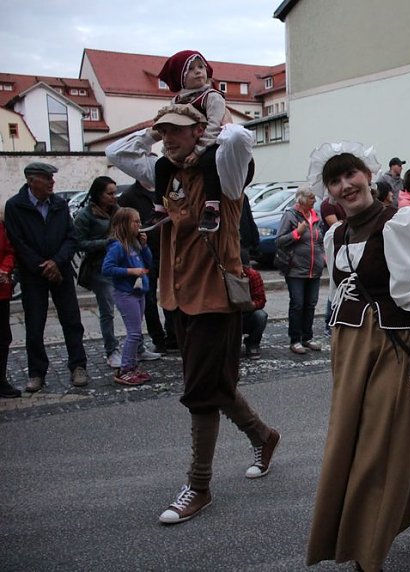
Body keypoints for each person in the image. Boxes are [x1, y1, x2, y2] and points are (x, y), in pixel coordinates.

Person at [105, 103, 280, 524]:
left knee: (201, 391)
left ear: (199, 131)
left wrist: (211, 126)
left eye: (178, 130)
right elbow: (117, 154)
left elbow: (240, 138)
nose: (168, 137)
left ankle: (198, 486)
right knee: (213, 382)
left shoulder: (224, 169)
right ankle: (263, 435)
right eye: (164, 130)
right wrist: (151, 132)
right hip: (178, 296)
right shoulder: (167, 173)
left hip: (216, 298)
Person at [305, 141, 410, 572]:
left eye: (350, 174)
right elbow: (337, 304)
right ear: (328, 190)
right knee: (375, 440)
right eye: (334, 180)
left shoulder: (401, 223)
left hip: (394, 350)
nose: (344, 185)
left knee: (373, 450)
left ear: (368, 175)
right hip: (351, 353)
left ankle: (367, 552)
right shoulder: (335, 234)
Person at [4, 162, 89, 393]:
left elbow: (71, 237)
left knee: (71, 320)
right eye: (46, 177)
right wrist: (41, 265)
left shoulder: (59, 204)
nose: (52, 182)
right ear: (31, 181)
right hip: (33, 275)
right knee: (34, 325)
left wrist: (57, 262)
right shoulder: (15, 206)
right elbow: (17, 242)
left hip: (60, 270)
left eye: (52, 177)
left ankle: (78, 366)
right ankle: (36, 373)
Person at [154, 51, 228, 232]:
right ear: (180, 77)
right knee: (161, 165)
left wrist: (198, 151)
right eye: (191, 69)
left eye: (201, 67)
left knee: (210, 162)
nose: (198, 72)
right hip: (185, 150)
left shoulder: (212, 96)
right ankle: (159, 208)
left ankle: (212, 208)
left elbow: (214, 125)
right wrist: (169, 153)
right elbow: (169, 130)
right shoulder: (176, 100)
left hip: (208, 144)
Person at [118, 180, 177, 354]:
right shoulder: (130, 195)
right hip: (144, 252)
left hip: (166, 250)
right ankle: (159, 339)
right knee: (149, 299)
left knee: (171, 293)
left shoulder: (164, 189)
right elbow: (123, 225)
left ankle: (173, 335)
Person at [101, 207, 153, 386]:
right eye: (135, 222)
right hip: (126, 293)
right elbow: (107, 269)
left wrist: (145, 247)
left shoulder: (134, 244)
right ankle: (125, 369)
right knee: (134, 333)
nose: (139, 225)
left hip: (139, 292)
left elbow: (149, 262)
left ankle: (131, 366)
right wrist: (130, 271)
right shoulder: (117, 246)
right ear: (124, 224)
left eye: (139, 221)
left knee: (137, 331)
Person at [73, 176, 121, 368]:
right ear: (98, 194)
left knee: (133, 307)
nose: (113, 197)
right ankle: (111, 350)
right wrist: (105, 243)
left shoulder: (118, 210)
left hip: (122, 265)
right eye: (109, 193)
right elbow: (78, 243)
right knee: (107, 311)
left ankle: (138, 346)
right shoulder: (85, 215)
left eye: (115, 192)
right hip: (100, 268)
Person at [275, 187, 325, 354]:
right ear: (302, 200)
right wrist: (297, 232)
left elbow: (319, 240)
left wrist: (322, 256)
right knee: (297, 304)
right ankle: (295, 339)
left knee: (310, 305)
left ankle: (307, 337)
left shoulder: (315, 216)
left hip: (314, 269)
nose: (314, 201)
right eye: (311, 198)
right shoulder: (290, 216)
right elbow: (280, 241)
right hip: (295, 269)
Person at [320, 195, 347, 336]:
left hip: (344, 246)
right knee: (335, 287)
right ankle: (329, 322)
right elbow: (336, 225)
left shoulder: (344, 204)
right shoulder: (327, 205)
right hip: (335, 247)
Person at [0, 220, 20, 398]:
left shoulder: (1, 224)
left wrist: (5, 268)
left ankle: (1, 380)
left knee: (3, 336)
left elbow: (9, 250)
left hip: (1, 291)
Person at [241, 252, 267, 360]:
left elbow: (261, 300)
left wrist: (249, 305)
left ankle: (253, 344)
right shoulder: (223, 275)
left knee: (261, 316)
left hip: (247, 312)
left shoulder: (252, 275)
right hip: (228, 314)